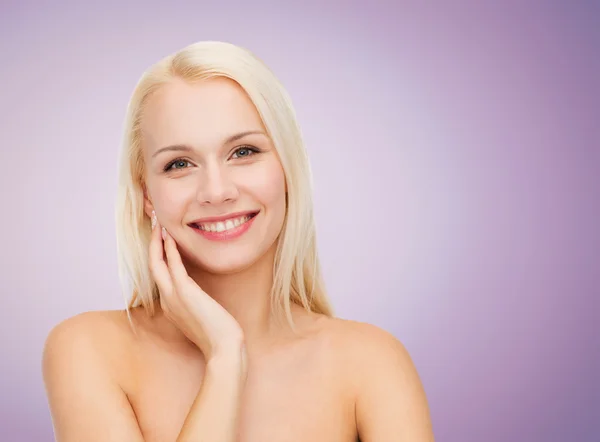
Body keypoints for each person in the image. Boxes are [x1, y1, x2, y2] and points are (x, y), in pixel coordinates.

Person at [41, 40, 435, 442]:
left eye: (243, 151)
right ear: (147, 195)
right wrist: (225, 358)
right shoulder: (88, 349)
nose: (216, 191)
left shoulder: (371, 362)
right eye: (179, 164)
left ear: (287, 168)